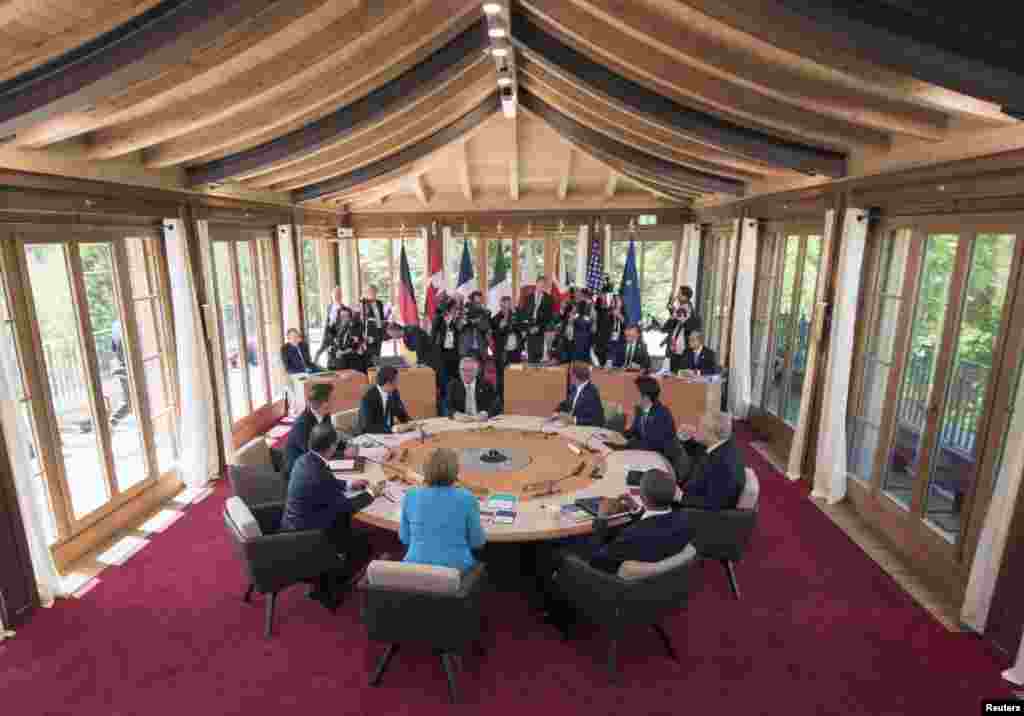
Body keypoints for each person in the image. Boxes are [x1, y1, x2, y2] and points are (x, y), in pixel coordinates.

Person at [539, 470, 694, 629]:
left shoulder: (633, 536)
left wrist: (601, 519)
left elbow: (596, 560)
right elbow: (654, 526)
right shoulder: (685, 520)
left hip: (613, 589)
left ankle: (557, 612)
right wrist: (636, 510)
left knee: (557, 551)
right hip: (662, 588)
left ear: (642, 494)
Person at [281, 421, 384, 609]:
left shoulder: (306, 460)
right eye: (336, 444)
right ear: (330, 447)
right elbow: (345, 507)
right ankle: (331, 588)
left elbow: (327, 482)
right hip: (310, 536)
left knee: (353, 531)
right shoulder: (318, 474)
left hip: (293, 525)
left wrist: (348, 485)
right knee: (366, 546)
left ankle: (325, 581)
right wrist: (371, 494)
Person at [399, 447, 486, 572]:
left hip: (413, 571)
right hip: (456, 571)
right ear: (456, 471)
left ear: (425, 470)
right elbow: (477, 542)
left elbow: (404, 538)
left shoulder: (411, 495)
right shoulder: (466, 497)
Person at [282, 383, 359, 479]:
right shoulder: (302, 425)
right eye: (333, 398)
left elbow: (330, 440)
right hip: (300, 472)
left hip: (318, 462)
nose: (336, 401)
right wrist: (343, 453)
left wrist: (346, 445)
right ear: (324, 404)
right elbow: (315, 454)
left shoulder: (325, 414)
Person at [678, 411, 745, 510]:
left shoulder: (724, 466)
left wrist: (679, 497)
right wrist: (684, 438)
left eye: (700, 427)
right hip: (690, 488)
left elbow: (713, 503)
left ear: (711, 433)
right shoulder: (723, 444)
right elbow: (699, 450)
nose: (696, 429)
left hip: (693, 512)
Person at [625, 375, 677, 457]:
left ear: (645, 397)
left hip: (661, 458)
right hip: (645, 453)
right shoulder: (640, 409)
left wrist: (627, 443)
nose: (630, 395)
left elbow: (653, 445)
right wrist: (621, 436)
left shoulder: (661, 414)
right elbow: (635, 431)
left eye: (634, 392)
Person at [358, 365, 410, 434]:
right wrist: (393, 429)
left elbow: (400, 413)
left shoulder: (394, 392)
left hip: (390, 434)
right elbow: (368, 427)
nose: (397, 383)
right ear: (388, 383)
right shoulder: (368, 398)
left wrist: (410, 423)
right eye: (396, 381)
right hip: (372, 435)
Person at [446, 356, 500, 420]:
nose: (466, 373)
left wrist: (486, 413)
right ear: (459, 371)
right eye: (463, 370)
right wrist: (455, 414)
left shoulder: (486, 385)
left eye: (470, 370)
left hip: (481, 422)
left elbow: (496, 405)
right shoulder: (453, 385)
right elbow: (449, 407)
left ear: (476, 371)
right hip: (461, 422)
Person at [432, 300, 461, 414]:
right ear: (449, 309)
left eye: (457, 309)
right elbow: (433, 336)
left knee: (454, 381)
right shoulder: (439, 319)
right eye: (454, 309)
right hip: (441, 355)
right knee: (444, 382)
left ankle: (454, 407)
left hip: (453, 355)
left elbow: (456, 337)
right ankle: (445, 410)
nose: (456, 311)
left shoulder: (455, 321)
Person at [491, 294, 522, 398]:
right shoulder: (496, 318)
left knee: (516, 375)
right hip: (502, 353)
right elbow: (494, 336)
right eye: (504, 306)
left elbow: (521, 329)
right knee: (502, 378)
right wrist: (500, 327)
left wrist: (515, 318)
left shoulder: (516, 316)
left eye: (508, 306)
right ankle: (501, 400)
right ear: (501, 306)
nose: (506, 309)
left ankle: (515, 397)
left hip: (515, 352)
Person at [524, 277, 554, 363]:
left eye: (543, 285)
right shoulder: (528, 298)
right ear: (536, 284)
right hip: (529, 329)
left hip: (540, 329)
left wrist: (539, 327)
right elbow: (524, 314)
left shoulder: (548, 299)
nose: (541, 287)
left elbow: (549, 317)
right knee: (530, 355)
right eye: (539, 284)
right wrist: (529, 327)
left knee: (538, 355)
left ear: (544, 286)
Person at [361, 285, 385, 363]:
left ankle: (376, 370)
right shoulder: (364, 303)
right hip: (369, 333)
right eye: (371, 291)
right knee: (369, 355)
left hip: (379, 331)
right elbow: (363, 319)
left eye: (374, 292)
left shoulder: (379, 303)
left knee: (377, 354)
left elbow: (381, 317)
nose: (373, 293)